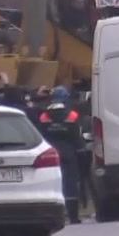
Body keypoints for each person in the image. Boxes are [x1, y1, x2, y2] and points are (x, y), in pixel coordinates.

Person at [38, 85, 85, 224]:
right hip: (69, 153)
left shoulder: (44, 116)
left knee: (52, 185)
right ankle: (73, 217)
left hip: (51, 154)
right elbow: (77, 136)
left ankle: (53, 216)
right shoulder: (72, 115)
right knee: (70, 184)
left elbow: (41, 136)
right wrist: (81, 150)